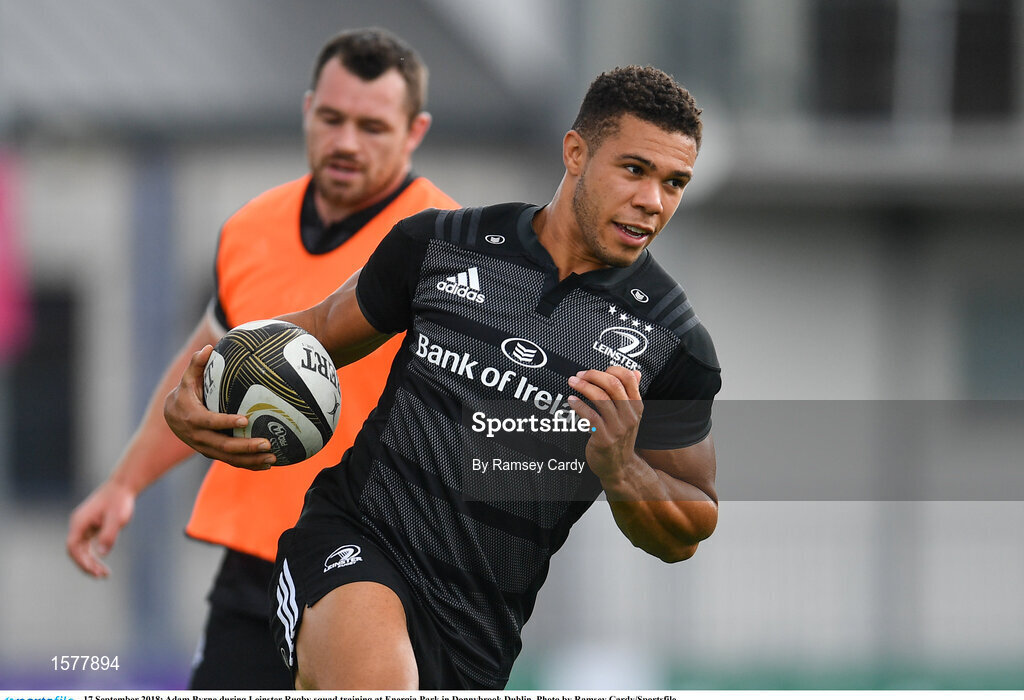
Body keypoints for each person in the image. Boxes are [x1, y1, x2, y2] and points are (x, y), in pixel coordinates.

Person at [166, 65, 722, 690]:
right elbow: (316, 328)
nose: (654, 201)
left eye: (674, 183)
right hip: (355, 541)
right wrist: (198, 387)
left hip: (480, 630)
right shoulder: (440, 243)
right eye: (634, 170)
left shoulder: (677, 345)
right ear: (575, 152)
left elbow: (689, 528)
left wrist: (623, 468)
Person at [65, 28, 458, 689]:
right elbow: (204, 366)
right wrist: (124, 482)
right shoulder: (252, 225)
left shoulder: (446, 241)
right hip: (254, 566)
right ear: (307, 109)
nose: (346, 143)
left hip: (378, 574)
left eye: (372, 126)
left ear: (414, 131)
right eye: (332, 119)